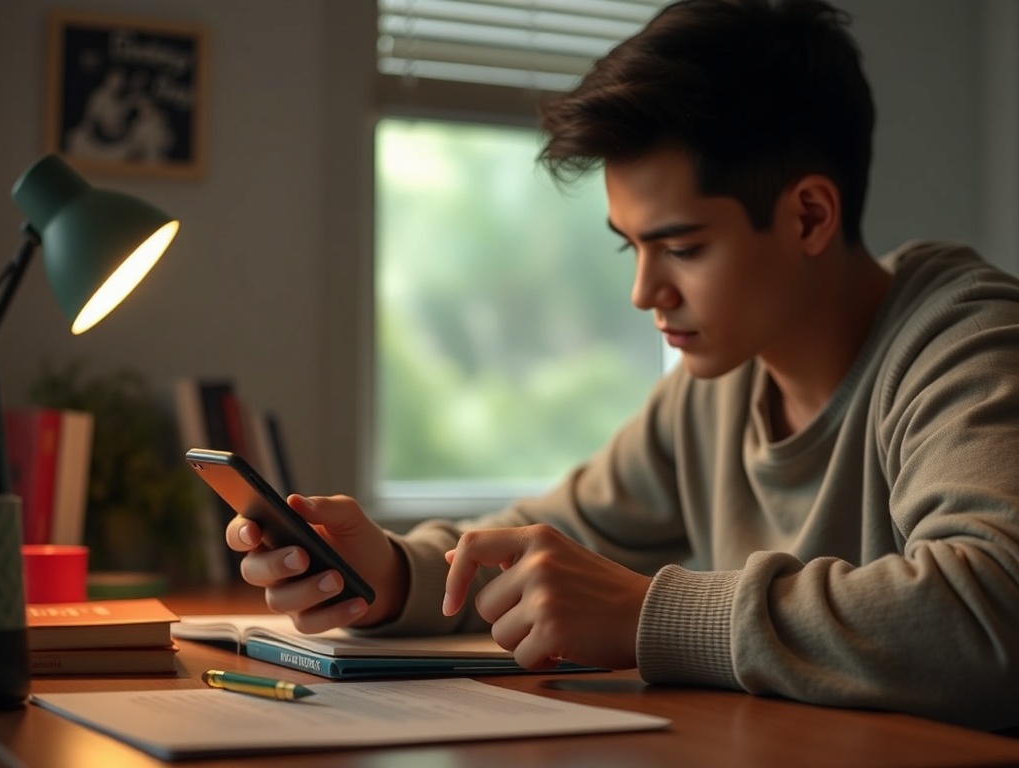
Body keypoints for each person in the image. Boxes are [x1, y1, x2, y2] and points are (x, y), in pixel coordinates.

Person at [227, 0, 1019, 730]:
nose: (646, 292)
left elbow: (994, 612)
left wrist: (650, 614)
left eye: (682, 248)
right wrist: (391, 573)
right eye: (630, 246)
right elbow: (543, 543)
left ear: (809, 215)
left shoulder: (968, 343)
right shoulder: (713, 392)